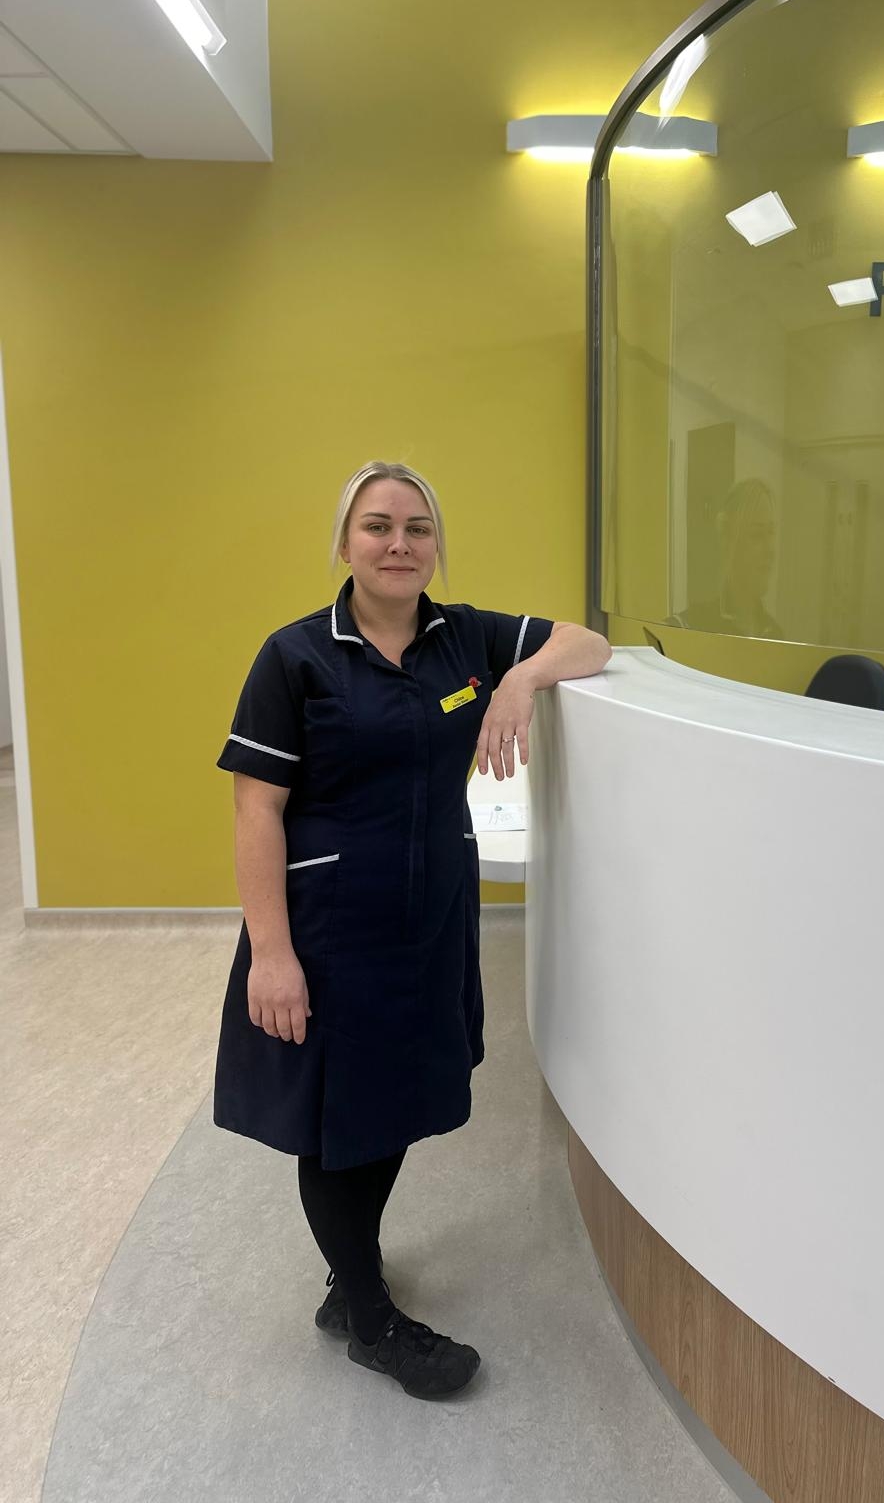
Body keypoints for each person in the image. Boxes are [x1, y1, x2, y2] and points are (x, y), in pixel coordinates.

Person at [213, 460, 611, 1400]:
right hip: (328, 926)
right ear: (345, 543)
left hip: (429, 919)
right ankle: (369, 1315)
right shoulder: (296, 656)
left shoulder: (462, 637)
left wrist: (518, 685)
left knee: (391, 1100)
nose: (400, 545)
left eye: (418, 529)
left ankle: (349, 1285)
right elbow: (254, 812)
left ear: (436, 547)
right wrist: (272, 954)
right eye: (379, 526)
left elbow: (586, 642)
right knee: (336, 1119)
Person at [676, 477, 784, 639]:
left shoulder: (774, 633)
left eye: (771, 532)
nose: (770, 550)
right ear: (728, 542)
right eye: (757, 535)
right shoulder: (690, 626)